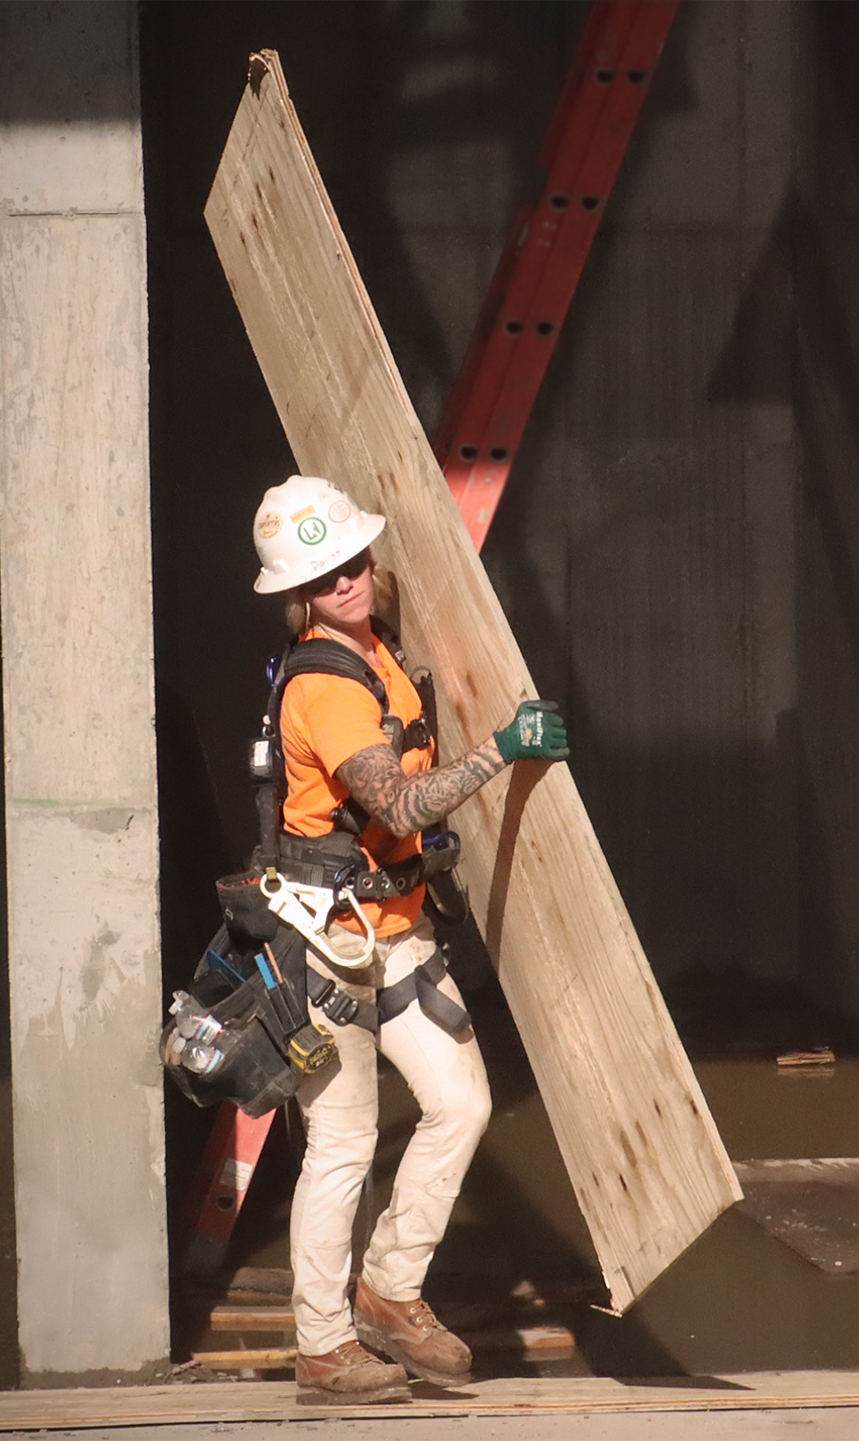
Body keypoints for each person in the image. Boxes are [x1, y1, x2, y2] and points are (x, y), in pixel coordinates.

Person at [249, 474, 569, 1405]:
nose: (348, 578)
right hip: (327, 945)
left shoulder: (377, 653)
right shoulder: (324, 680)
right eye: (326, 571)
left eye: (353, 559)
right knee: (342, 1143)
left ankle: (388, 1289)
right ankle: (321, 1348)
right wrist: (503, 749)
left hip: (396, 929)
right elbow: (396, 800)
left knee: (461, 1103)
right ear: (299, 593)